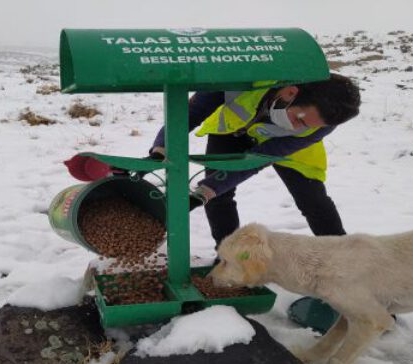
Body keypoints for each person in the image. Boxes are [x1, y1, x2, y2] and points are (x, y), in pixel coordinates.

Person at [148, 73, 361, 251]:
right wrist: (160, 149)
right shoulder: (241, 77)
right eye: (299, 120)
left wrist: (208, 190)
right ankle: (228, 256)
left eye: (305, 125)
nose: (297, 127)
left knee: (313, 201)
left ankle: (341, 258)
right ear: (290, 92)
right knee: (218, 199)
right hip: (232, 131)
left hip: (286, 148)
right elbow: (190, 114)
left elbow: (261, 157)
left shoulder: (321, 124)